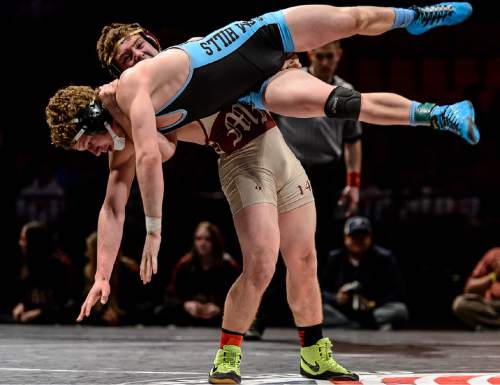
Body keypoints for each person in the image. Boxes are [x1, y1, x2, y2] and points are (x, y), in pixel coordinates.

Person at [45, 3, 478, 383]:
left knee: (305, 255)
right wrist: (103, 272)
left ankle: (314, 352)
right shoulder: (139, 108)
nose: (138, 55)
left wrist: (152, 225)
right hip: (242, 153)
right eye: (127, 57)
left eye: (139, 45)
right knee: (264, 260)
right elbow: (123, 191)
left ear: (151, 39)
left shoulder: (163, 71)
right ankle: (229, 353)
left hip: (268, 94)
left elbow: (147, 160)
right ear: (118, 72)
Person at [247, 40, 363, 341]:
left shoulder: (345, 90)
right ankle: (257, 317)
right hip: (290, 170)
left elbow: (353, 140)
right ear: (312, 55)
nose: (325, 61)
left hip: (327, 175)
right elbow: (266, 125)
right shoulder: (293, 82)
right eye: (320, 56)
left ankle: (309, 322)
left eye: (330, 56)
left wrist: (353, 184)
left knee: (314, 251)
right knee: (273, 244)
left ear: (339, 56)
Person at [321, 216, 409, 330]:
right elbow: (321, 290)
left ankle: (350, 326)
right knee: (314, 310)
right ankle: (363, 326)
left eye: (363, 237)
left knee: (400, 310)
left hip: (373, 311)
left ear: (370, 237)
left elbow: (397, 291)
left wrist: (372, 303)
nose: (359, 241)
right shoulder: (335, 258)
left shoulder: (384, 258)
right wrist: (336, 298)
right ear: (346, 237)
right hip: (342, 311)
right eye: (354, 237)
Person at [156, 221, 240, 326]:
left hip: (219, 316)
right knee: (161, 311)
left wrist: (220, 308)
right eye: (198, 239)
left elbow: (239, 297)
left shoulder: (228, 265)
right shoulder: (185, 264)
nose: (202, 243)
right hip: (190, 314)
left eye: (207, 239)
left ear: (215, 242)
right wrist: (186, 305)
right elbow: (171, 294)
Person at [452, 248, 500, 330]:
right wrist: (494, 275)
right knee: (460, 303)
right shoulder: (495, 254)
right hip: (492, 305)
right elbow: (469, 288)